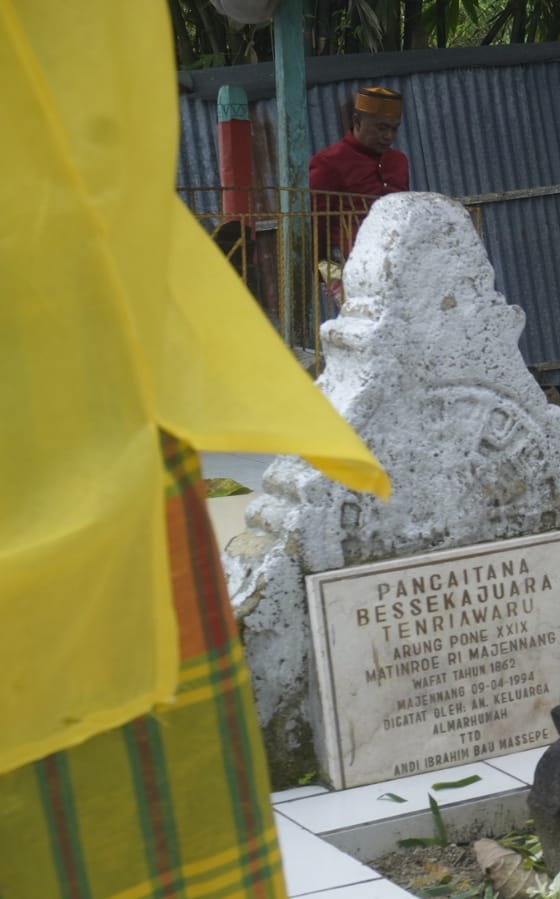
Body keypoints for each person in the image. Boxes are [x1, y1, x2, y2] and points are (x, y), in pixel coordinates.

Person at [1, 1, 388, 893]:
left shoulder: (389, 165)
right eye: (369, 122)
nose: (376, 133)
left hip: (83, 364)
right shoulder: (330, 165)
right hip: (65, 340)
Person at [309, 85, 410, 308]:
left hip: (399, 267)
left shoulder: (398, 161)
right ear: (357, 121)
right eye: (381, 128)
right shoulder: (328, 163)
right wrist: (334, 280)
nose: (388, 136)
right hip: (351, 270)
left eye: (394, 129)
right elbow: (317, 228)